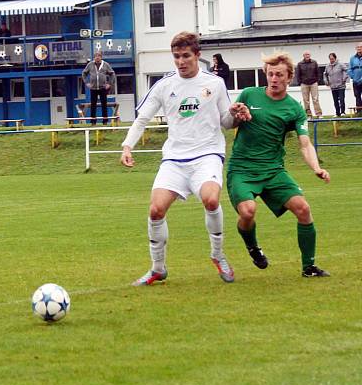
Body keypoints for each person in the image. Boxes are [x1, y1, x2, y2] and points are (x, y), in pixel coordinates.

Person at [120, 31, 249, 286]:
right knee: (156, 210)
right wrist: (127, 146)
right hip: (174, 159)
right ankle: (158, 268)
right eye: (176, 57)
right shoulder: (164, 85)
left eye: (186, 56)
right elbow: (142, 119)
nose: (181, 61)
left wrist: (236, 115)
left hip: (207, 154)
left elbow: (226, 122)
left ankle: (218, 255)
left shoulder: (214, 83)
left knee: (211, 200)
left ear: (197, 55)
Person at [227, 51, 331, 278]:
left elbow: (305, 144)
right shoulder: (249, 95)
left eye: (279, 75)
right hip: (242, 169)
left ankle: (309, 267)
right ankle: (253, 247)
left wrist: (316, 168)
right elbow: (229, 122)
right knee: (248, 211)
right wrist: (236, 113)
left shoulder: (294, 109)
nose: (274, 79)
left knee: (303, 209)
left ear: (289, 77)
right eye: (271, 74)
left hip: (273, 171)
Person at [82, 50, 116, 125]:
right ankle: (93, 122)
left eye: (99, 56)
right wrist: (86, 83)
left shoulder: (105, 64)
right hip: (93, 88)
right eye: (96, 56)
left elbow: (112, 74)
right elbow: (84, 73)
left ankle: (105, 121)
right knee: (93, 105)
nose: (97, 58)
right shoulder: (90, 64)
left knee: (104, 104)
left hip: (102, 88)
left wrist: (109, 84)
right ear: (94, 57)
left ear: (101, 57)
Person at [294, 51, 322, 118]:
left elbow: (318, 72)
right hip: (304, 84)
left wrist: (317, 80)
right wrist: (300, 82)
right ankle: (309, 115)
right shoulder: (300, 64)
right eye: (306, 54)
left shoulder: (314, 62)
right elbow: (297, 74)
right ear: (303, 56)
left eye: (308, 54)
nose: (307, 55)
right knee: (306, 100)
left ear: (310, 55)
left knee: (315, 99)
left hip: (314, 83)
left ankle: (319, 114)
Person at [323, 53, 348, 117]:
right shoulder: (327, 66)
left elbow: (346, 70)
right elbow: (325, 74)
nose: (331, 60)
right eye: (330, 59)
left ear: (335, 58)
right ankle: (337, 113)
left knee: (342, 99)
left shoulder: (340, 64)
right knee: (335, 100)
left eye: (333, 59)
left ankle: (343, 112)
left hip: (341, 85)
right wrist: (326, 81)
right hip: (333, 86)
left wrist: (344, 79)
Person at [349, 43, 362, 111]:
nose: (359, 48)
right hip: (355, 81)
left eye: (360, 47)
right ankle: (359, 112)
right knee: (357, 96)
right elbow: (349, 69)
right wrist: (353, 77)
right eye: (358, 47)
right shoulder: (352, 58)